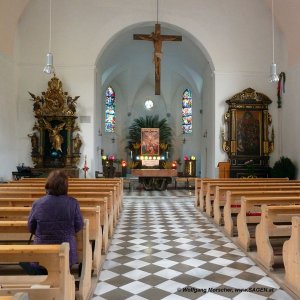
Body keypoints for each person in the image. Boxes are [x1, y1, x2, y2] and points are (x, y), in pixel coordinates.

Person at [20, 170, 84, 275]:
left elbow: (31, 227)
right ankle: (64, 283)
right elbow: (79, 225)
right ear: (66, 186)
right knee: (63, 269)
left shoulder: (38, 203)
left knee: (43, 268)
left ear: (48, 184)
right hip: (66, 248)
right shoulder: (73, 203)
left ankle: (44, 283)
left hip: (42, 248)